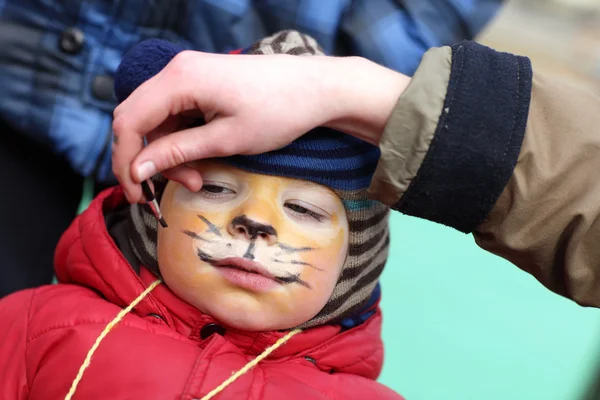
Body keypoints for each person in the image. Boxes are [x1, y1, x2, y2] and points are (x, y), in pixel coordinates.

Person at [0, 0, 503, 298]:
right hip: (22, 71)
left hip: (271, 126)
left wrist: (332, 74)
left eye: (303, 212)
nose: (255, 226)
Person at [0, 33, 401, 400]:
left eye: (303, 209)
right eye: (215, 189)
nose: (254, 221)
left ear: (356, 261)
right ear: (152, 210)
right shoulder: (34, 328)